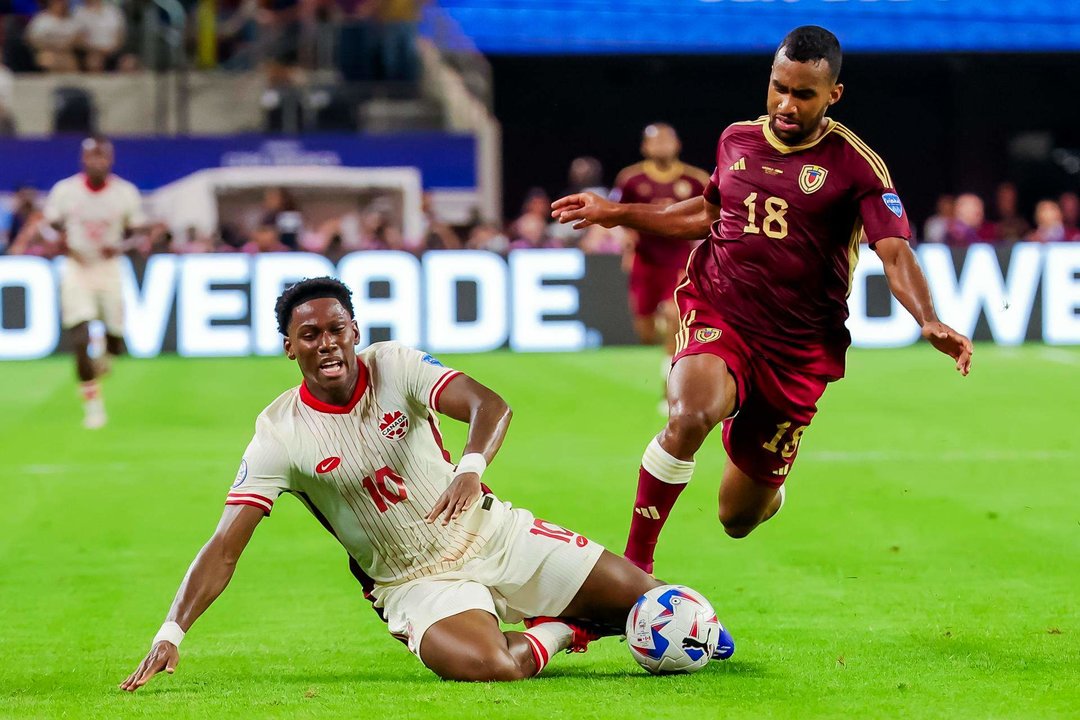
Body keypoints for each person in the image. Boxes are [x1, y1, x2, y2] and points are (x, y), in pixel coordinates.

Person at [119, 277, 734, 689]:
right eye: (310, 335)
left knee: (655, 603)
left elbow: (490, 406)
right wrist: (172, 630)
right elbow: (225, 545)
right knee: (490, 666)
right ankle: (567, 629)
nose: (327, 344)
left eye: (337, 329)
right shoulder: (279, 433)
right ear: (290, 348)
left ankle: (657, 624)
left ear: (355, 332)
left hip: (491, 531)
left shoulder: (397, 365)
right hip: (413, 581)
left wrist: (471, 470)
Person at [552, 26, 973, 574]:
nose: (785, 104)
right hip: (720, 308)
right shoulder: (736, 139)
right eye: (778, 88)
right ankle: (634, 572)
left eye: (803, 94)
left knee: (737, 517)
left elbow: (893, 252)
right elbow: (705, 215)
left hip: (797, 349)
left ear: (832, 96)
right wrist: (615, 212)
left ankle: (766, 476)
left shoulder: (856, 166)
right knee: (689, 416)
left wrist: (929, 319)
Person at [42, 136, 150, 429]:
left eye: (102, 157)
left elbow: (139, 232)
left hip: (109, 267)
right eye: (92, 157)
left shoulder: (124, 193)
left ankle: (106, 353)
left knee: (116, 340)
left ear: (110, 160)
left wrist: (122, 246)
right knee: (79, 337)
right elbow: (48, 226)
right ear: (83, 159)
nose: (97, 162)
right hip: (77, 267)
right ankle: (93, 407)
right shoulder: (66, 191)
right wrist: (60, 241)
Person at [611, 123, 710, 403]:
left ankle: (671, 390)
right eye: (656, 142)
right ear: (645, 147)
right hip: (645, 261)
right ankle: (668, 360)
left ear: (677, 144)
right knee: (645, 330)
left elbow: (712, 215)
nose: (662, 146)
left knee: (673, 315)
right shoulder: (630, 179)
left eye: (667, 140)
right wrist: (627, 241)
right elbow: (618, 214)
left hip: (678, 259)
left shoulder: (695, 180)